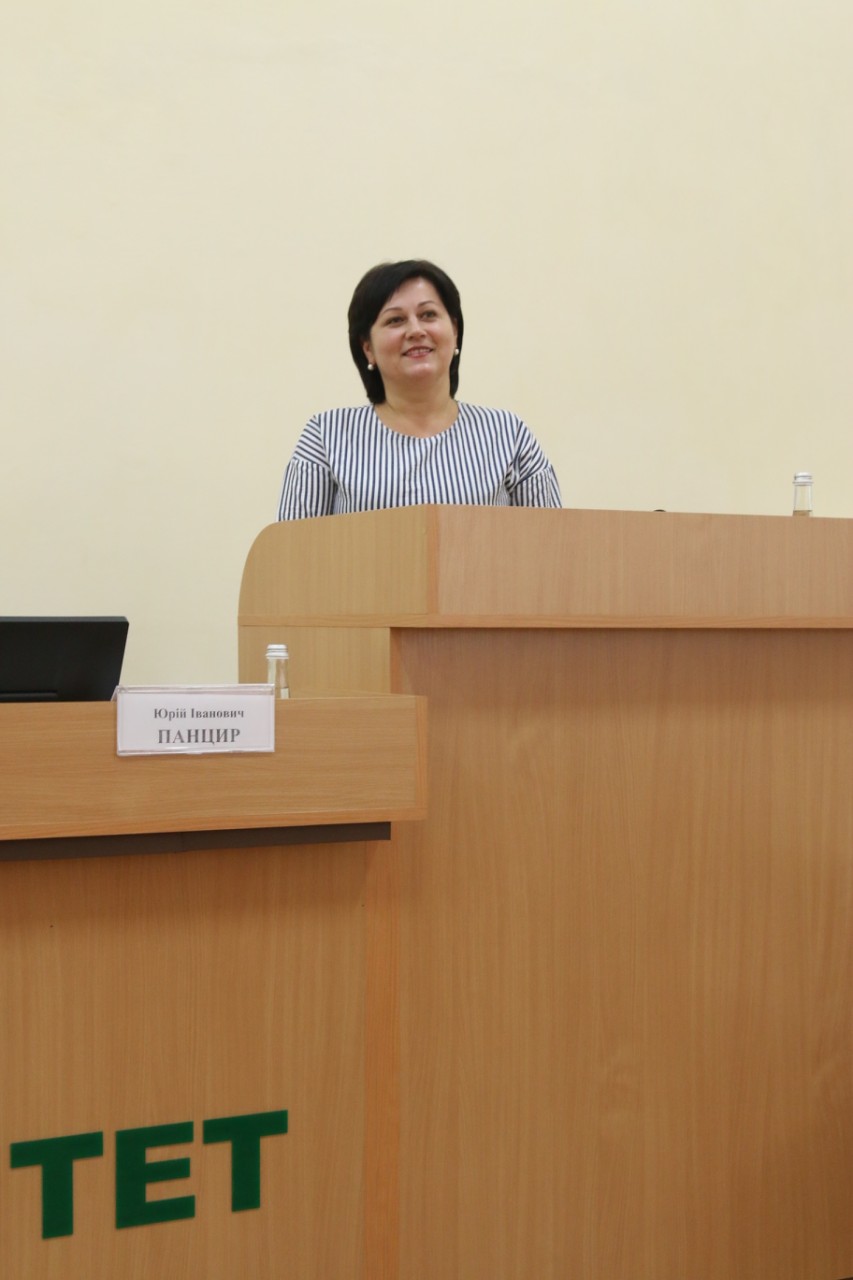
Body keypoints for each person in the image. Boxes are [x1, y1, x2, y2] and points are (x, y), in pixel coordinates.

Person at [277, 259, 562, 519]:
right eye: (395, 320)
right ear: (368, 349)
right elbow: (290, 553)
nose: (415, 330)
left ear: (455, 331)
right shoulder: (325, 437)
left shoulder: (509, 435)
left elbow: (554, 547)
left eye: (428, 314)